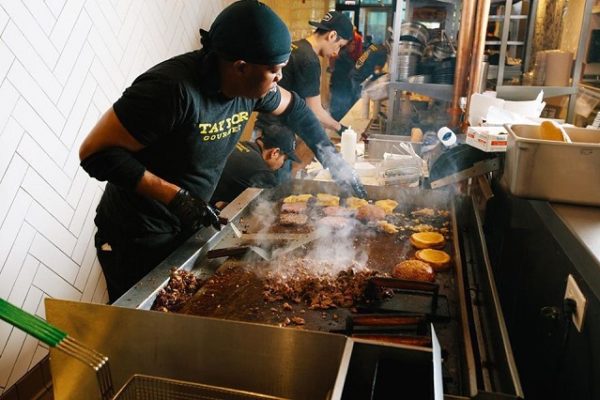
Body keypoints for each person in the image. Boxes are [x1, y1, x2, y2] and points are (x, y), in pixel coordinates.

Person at [78, 0, 366, 303]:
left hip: (186, 222)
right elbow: (94, 153)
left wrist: (334, 162)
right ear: (240, 66)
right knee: (142, 329)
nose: (279, 78)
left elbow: (297, 110)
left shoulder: (255, 87)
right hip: (137, 232)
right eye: (274, 71)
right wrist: (176, 197)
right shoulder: (170, 90)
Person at [255, 11, 354, 180]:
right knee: (274, 189)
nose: (337, 52)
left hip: (263, 129)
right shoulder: (309, 60)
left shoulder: (295, 46)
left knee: (260, 182)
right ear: (332, 36)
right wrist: (340, 128)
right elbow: (313, 111)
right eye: (340, 45)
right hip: (276, 137)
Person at [211, 125, 299, 208]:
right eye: (285, 159)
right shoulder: (261, 172)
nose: (282, 165)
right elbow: (271, 205)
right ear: (275, 153)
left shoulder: (244, 145)